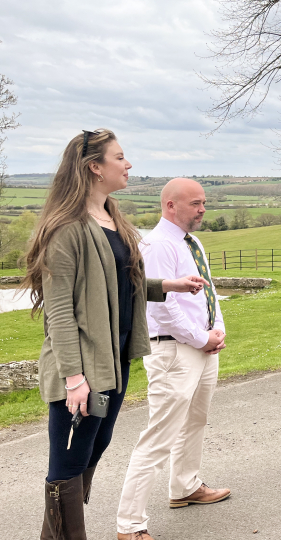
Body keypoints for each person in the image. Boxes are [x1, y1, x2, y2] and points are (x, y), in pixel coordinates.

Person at [22, 130, 208, 540]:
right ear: (94, 166)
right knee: (68, 463)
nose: (128, 165)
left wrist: (166, 286)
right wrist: (74, 377)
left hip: (115, 361)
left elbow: (121, 283)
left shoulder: (112, 217)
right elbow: (59, 312)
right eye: (120, 158)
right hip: (82, 370)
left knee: (91, 449)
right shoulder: (66, 228)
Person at [116, 178, 230, 540]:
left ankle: (184, 487)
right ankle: (129, 525)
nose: (202, 209)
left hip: (201, 348)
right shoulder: (157, 246)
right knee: (158, 436)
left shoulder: (192, 242)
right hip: (173, 351)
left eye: (204, 202)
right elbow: (161, 308)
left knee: (196, 421)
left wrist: (217, 330)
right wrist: (200, 338)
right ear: (170, 205)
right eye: (195, 203)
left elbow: (207, 292)